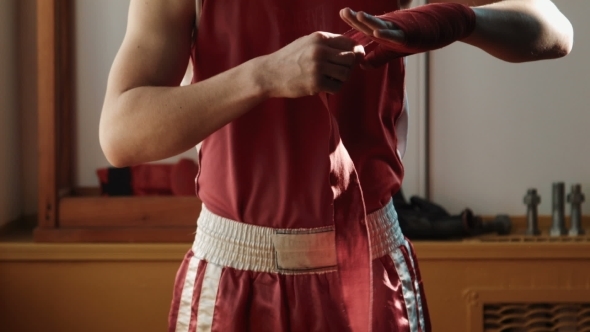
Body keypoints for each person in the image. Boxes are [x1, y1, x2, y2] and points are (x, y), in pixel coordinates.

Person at [99, 0, 573, 331]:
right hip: (234, 277)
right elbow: (119, 134)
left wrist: (451, 20)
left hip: (370, 272)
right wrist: (262, 76)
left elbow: (553, 29)